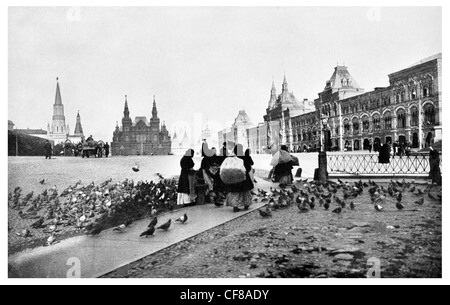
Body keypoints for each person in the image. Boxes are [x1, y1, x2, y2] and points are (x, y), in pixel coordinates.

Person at [225, 144, 254, 212]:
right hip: (244, 177)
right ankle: (246, 205)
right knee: (245, 191)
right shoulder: (244, 158)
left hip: (234, 178)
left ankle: (235, 206)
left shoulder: (232, 158)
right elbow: (248, 167)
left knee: (235, 192)